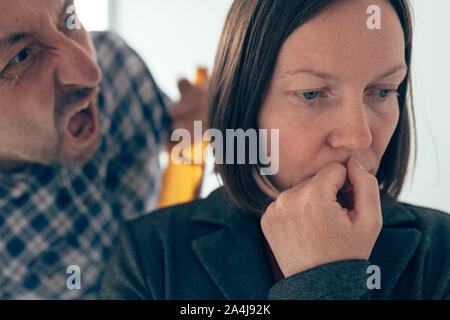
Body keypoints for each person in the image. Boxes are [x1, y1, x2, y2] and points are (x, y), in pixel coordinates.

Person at [100, 0, 450, 300]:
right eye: (311, 94)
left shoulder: (442, 251)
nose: (358, 137)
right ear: (245, 106)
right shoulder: (148, 255)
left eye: (384, 91)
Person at [0, 0, 208, 299]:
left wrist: (212, 117)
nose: (90, 72)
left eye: (69, 20)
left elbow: (183, 138)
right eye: (21, 56)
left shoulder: (114, 64)